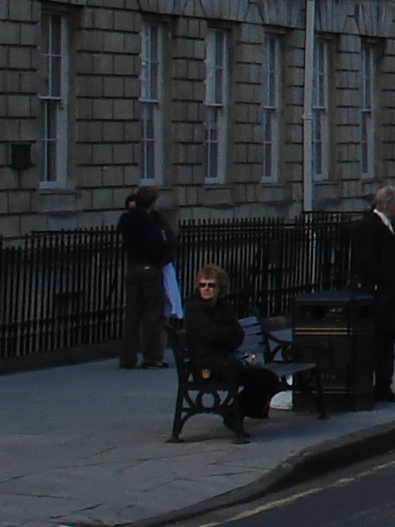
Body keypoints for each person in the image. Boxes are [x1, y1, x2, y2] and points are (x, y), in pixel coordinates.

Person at [177, 264, 279, 442]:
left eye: (211, 285)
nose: (206, 289)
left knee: (268, 378)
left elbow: (237, 335)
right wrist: (226, 333)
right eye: (202, 285)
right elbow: (211, 333)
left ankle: (235, 413)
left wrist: (224, 334)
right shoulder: (194, 308)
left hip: (225, 359)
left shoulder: (223, 307)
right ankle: (234, 414)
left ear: (220, 288)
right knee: (250, 376)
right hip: (206, 365)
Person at [347, 185, 395, 402]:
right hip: (380, 296)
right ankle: (372, 386)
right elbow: (364, 262)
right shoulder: (369, 226)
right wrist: (386, 280)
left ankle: (383, 385)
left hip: (390, 295)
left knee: (388, 341)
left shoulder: (382, 224)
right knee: (377, 343)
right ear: (388, 204)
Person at [116, 185, 175, 370]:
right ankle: (151, 356)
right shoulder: (149, 222)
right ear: (152, 202)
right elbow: (157, 246)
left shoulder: (126, 219)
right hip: (150, 268)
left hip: (132, 266)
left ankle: (127, 357)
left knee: (132, 314)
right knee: (151, 314)